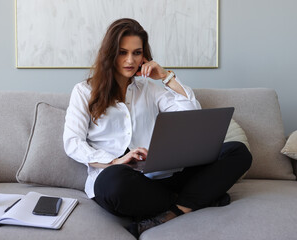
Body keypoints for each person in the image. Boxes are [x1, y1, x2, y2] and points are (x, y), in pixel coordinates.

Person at [63, 18, 252, 238]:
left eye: (136, 52)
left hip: (159, 175)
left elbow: (190, 113)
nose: (130, 60)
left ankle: (176, 210)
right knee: (112, 183)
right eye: (122, 52)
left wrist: (166, 77)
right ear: (110, 54)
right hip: (121, 180)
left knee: (237, 152)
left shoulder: (149, 88)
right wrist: (115, 161)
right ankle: (198, 198)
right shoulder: (84, 91)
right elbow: (72, 142)